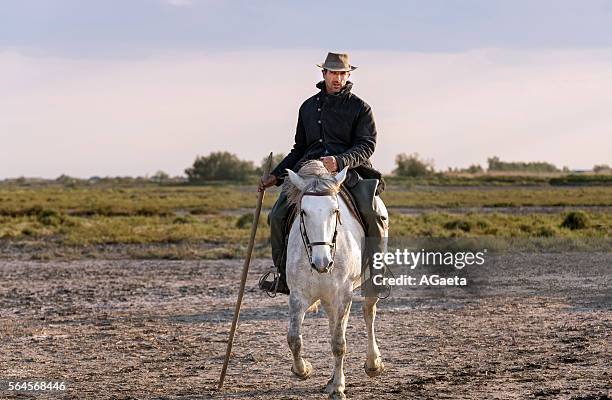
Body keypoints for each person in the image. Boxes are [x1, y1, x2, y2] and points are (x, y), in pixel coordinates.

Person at [258, 52, 387, 295]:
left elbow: (367, 145)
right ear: (324, 74)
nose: (337, 78)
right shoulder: (307, 107)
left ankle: (376, 276)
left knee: (373, 213)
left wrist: (338, 161)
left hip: (348, 174)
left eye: (342, 73)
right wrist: (276, 176)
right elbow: (299, 148)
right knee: (276, 216)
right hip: (307, 174)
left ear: (348, 75)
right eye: (332, 73)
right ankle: (283, 275)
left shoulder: (360, 108)